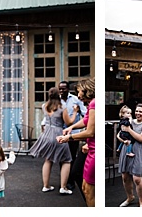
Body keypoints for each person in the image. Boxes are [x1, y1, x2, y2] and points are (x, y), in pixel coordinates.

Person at [28, 87, 75, 195]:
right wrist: (75, 112)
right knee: (67, 160)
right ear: (59, 95)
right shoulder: (62, 107)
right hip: (58, 134)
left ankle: (46, 186)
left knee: (48, 159)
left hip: (46, 133)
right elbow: (69, 123)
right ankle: (63, 187)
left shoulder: (44, 106)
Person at [58, 78, 96, 206]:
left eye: (79, 91)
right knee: (85, 186)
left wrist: (68, 138)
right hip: (90, 147)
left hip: (94, 149)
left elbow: (90, 131)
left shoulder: (94, 104)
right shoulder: (91, 104)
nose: (78, 94)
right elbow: (86, 120)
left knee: (89, 190)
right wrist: (71, 127)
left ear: (87, 90)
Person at [117, 103, 142, 207]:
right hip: (126, 147)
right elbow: (119, 134)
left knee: (137, 178)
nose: (138, 113)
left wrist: (129, 130)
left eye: (140, 111)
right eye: (136, 111)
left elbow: (141, 138)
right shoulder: (129, 120)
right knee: (125, 176)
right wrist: (123, 141)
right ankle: (130, 197)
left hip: (139, 149)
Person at [59, 81, 86, 192]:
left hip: (73, 133)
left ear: (68, 89)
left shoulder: (76, 99)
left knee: (71, 157)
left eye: (63, 89)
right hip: (60, 132)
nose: (61, 91)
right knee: (62, 158)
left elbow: (85, 113)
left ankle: (71, 181)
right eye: (60, 89)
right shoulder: (57, 101)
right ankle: (64, 181)